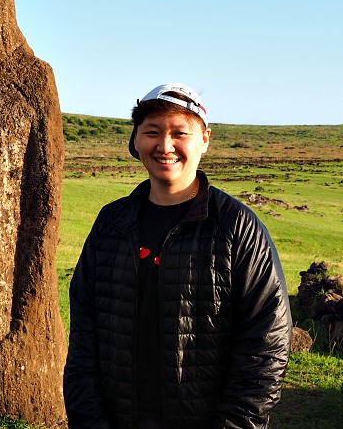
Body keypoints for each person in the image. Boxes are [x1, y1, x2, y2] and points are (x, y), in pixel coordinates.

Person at [64, 83, 292, 429]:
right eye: (152, 132)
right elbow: (84, 338)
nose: (165, 146)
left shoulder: (236, 228)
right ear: (136, 140)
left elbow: (266, 344)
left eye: (179, 133)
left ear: (205, 139)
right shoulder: (111, 224)